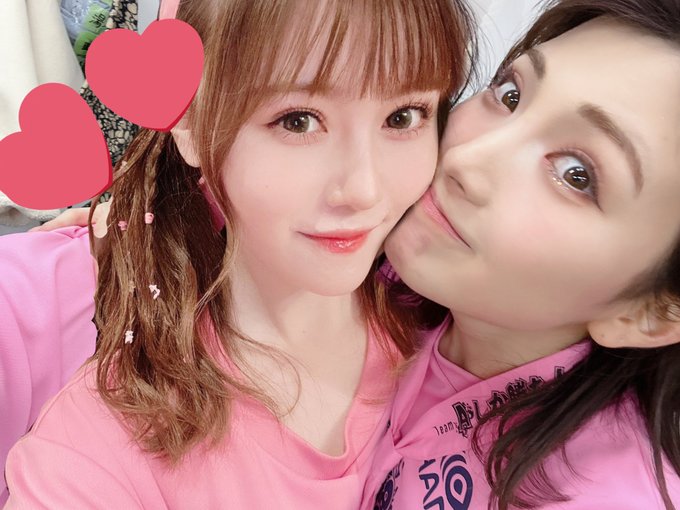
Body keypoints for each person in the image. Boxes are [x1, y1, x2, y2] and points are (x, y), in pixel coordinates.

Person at [2, 0, 475, 507]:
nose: (364, 189)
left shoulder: (448, 324)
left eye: (403, 116)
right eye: (298, 121)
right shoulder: (100, 446)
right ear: (189, 122)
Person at [361, 0, 680, 508]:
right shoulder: (370, 259)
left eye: (576, 175)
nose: (465, 160)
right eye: (509, 94)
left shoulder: (600, 496)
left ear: (653, 313)